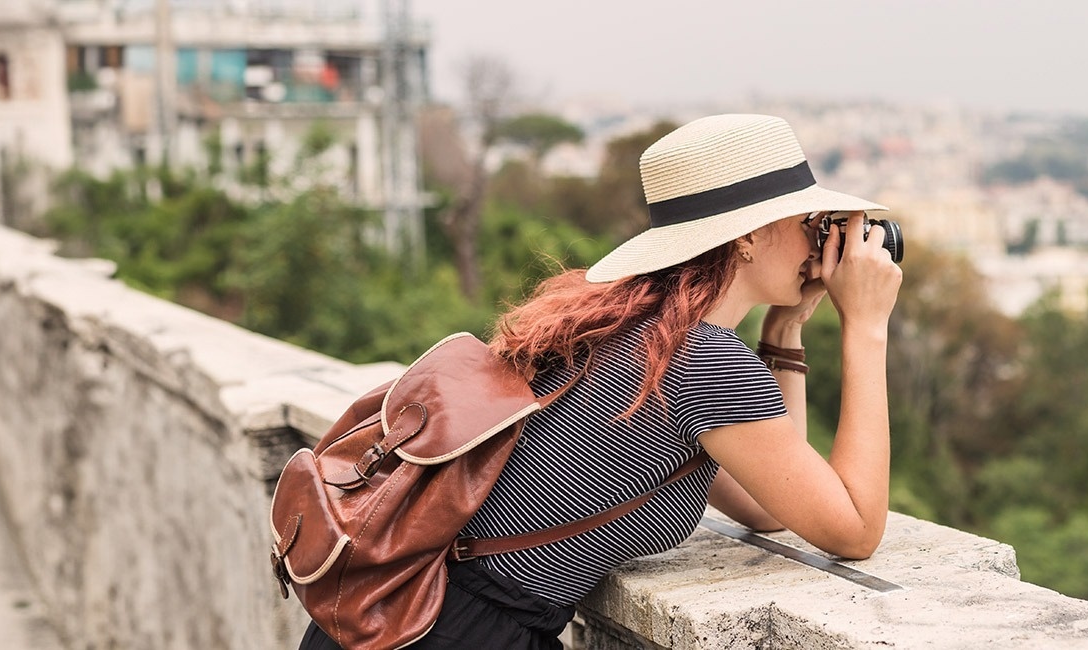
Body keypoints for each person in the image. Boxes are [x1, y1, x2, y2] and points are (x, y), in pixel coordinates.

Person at [298, 114, 902, 649]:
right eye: (809, 223)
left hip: (404, 614)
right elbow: (852, 528)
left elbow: (775, 504)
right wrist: (866, 328)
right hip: (453, 629)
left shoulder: (634, 325)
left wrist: (787, 333)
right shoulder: (702, 358)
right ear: (748, 234)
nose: (821, 243)